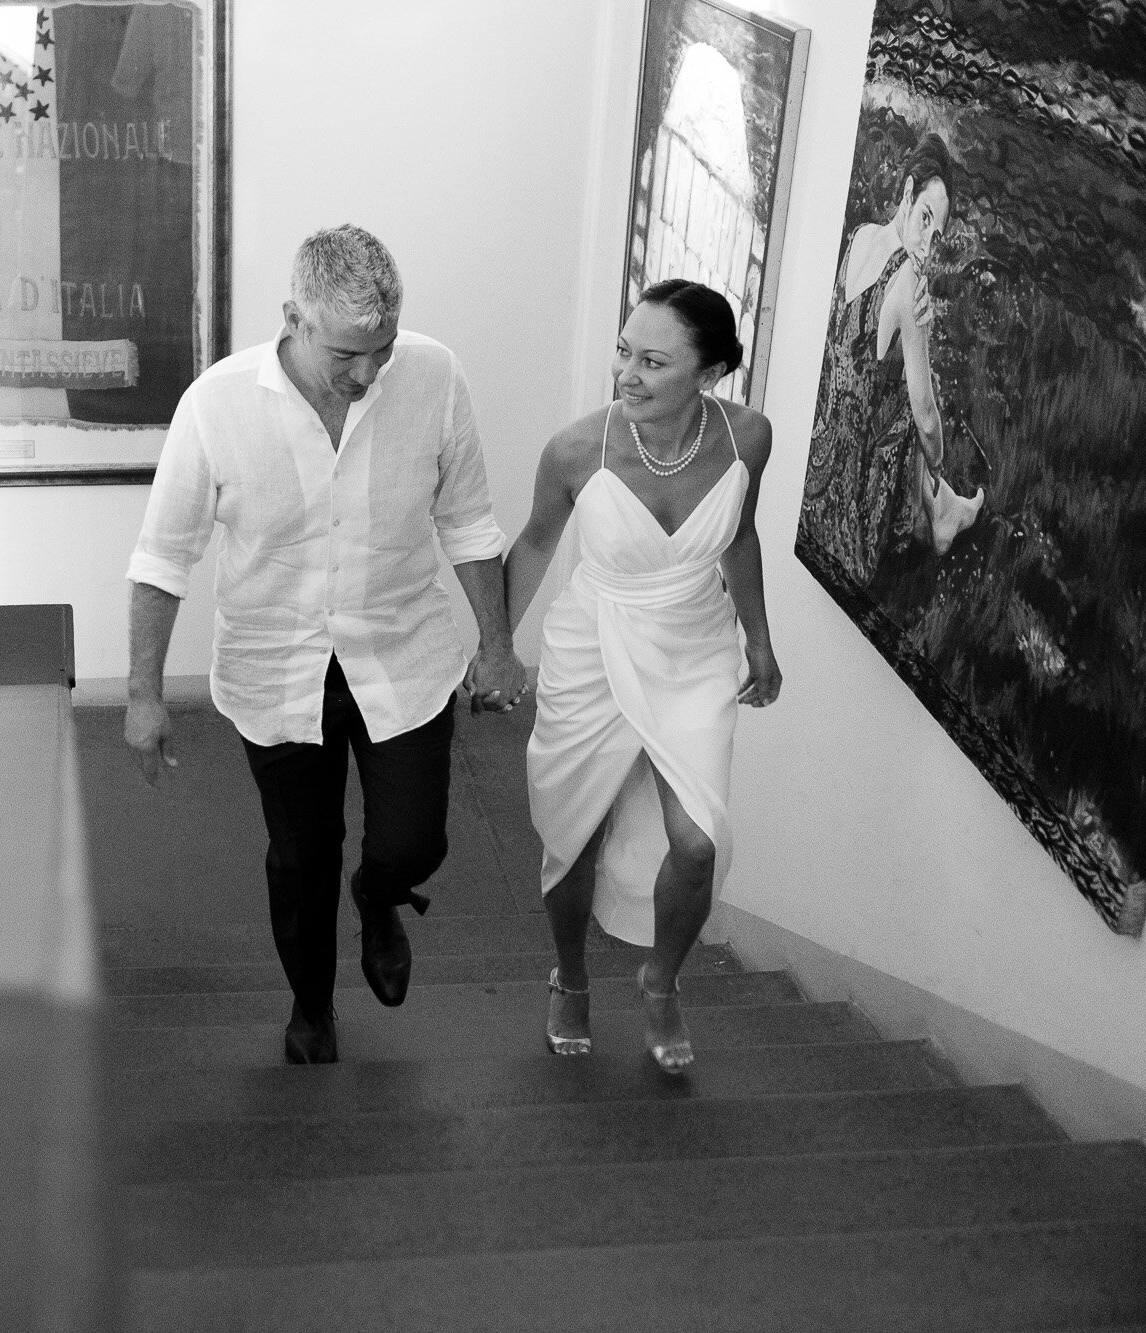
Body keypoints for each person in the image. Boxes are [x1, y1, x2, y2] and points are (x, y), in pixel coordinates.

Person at [124, 224, 526, 1065]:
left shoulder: (434, 375)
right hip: (275, 668)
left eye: (380, 348)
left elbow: (468, 521)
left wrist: (496, 644)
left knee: (415, 841)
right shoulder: (217, 404)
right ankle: (312, 1006)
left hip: (403, 653)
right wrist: (143, 692)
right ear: (294, 320)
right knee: (301, 856)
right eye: (348, 354)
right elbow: (163, 559)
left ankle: (380, 898)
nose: (368, 372)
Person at [504, 280, 782, 1075]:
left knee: (697, 842)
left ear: (710, 373)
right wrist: (493, 645)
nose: (626, 373)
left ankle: (661, 981)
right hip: (593, 643)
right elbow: (532, 545)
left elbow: (739, 536)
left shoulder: (748, 438)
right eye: (624, 351)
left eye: (653, 361)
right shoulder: (574, 449)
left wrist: (759, 640)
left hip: (694, 645)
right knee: (575, 833)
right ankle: (571, 974)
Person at [802, 132, 982, 586]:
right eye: (924, 218)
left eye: (935, 234)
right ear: (906, 191)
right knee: (916, 405)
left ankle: (943, 511)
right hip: (850, 496)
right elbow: (925, 416)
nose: (926, 244)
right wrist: (938, 465)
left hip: (816, 462)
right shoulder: (906, 283)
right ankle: (940, 511)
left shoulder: (860, 235)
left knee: (898, 374)